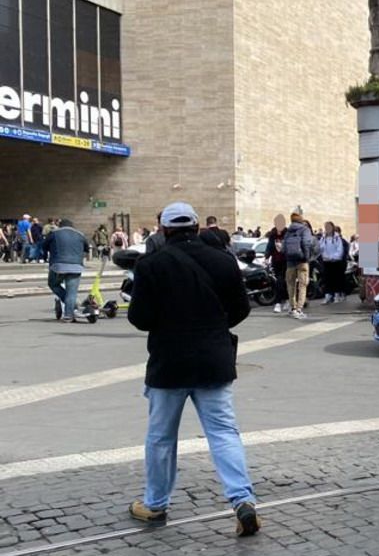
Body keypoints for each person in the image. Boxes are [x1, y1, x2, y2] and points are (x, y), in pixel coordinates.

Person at [126, 201, 260, 536]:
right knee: (224, 432)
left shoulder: (151, 264)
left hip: (168, 362)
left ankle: (155, 504)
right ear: (197, 227)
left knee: (161, 437)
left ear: (164, 229)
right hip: (214, 360)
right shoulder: (223, 260)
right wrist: (214, 328)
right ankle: (242, 500)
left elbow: (139, 319)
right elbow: (242, 308)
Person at [45, 219, 88, 322]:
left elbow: (44, 246)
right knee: (71, 292)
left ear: (60, 225)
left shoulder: (54, 233)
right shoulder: (80, 234)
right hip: (76, 266)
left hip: (58, 265)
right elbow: (86, 248)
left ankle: (71, 306)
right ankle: (68, 315)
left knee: (53, 284)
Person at [283, 211, 315, 319]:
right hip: (302, 261)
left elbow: (284, 247)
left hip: (290, 262)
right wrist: (306, 257)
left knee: (290, 285)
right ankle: (299, 309)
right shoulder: (304, 229)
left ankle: (292, 308)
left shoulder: (288, 231)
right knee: (303, 285)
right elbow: (307, 243)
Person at [266, 215, 289, 313]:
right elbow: (270, 246)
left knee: (282, 281)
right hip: (276, 261)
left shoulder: (287, 234)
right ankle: (284, 300)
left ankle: (279, 302)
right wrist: (266, 256)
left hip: (286, 261)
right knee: (280, 282)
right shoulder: (273, 234)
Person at [319, 221, 347, 304]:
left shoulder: (337, 238)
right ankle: (328, 295)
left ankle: (336, 295)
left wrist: (333, 257)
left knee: (336, 278)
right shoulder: (323, 238)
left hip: (335, 261)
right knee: (327, 279)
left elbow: (340, 250)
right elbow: (320, 248)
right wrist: (324, 256)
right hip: (326, 261)